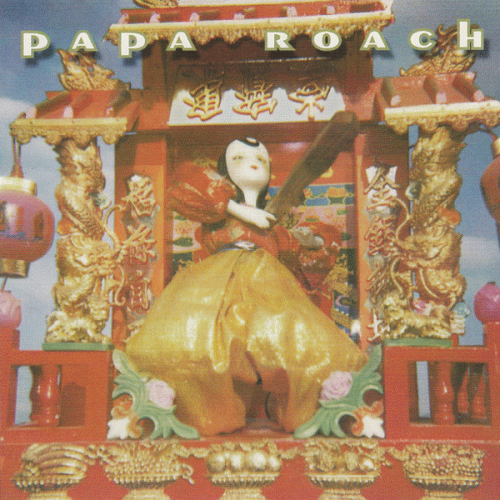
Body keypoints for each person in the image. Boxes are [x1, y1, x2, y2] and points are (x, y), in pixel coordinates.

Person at [125, 138, 366, 436]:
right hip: (217, 281)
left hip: (269, 283)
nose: (253, 163)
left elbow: (305, 248)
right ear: (224, 171)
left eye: (261, 160)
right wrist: (238, 210)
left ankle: (305, 406)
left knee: (297, 341)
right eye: (239, 158)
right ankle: (193, 406)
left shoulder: (274, 226)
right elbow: (186, 185)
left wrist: (312, 239)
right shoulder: (217, 210)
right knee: (194, 342)